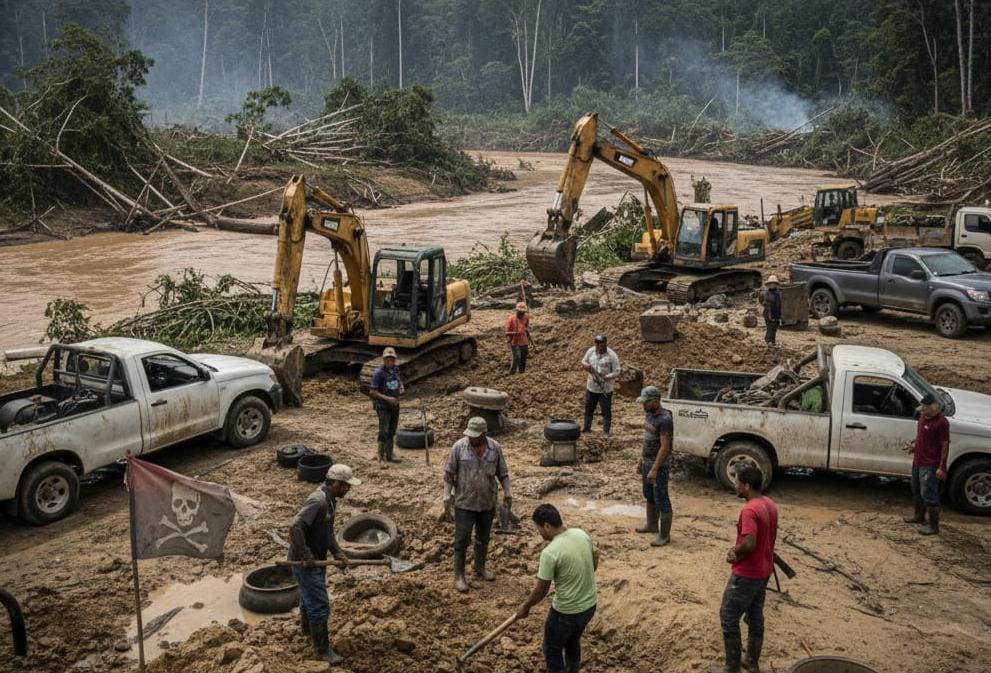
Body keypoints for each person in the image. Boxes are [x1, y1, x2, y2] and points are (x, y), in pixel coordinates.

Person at [287, 463, 361, 665]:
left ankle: (306, 632)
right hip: (305, 562)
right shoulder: (317, 501)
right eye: (346, 485)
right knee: (319, 604)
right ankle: (322, 650)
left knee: (308, 597)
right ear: (336, 483)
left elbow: (327, 532)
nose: (348, 489)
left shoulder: (330, 501)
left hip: (317, 559)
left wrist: (337, 553)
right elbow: (295, 527)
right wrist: (305, 555)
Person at [710, 464, 778, 673]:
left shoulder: (749, 510)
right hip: (764, 570)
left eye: (737, 482)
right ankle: (751, 661)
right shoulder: (769, 503)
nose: (735, 485)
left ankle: (732, 667)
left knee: (728, 616)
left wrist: (735, 551)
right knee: (755, 615)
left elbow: (749, 543)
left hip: (748, 573)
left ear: (747, 486)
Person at [516, 504, 598, 673]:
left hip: (566, 613)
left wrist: (526, 606)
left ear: (546, 525)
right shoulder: (581, 534)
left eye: (538, 528)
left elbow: (542, 589)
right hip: (590, 606)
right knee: (572, 641)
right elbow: (595, 557)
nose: (539, 533)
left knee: (552, 649)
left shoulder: (550, 552)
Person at [443, 416, 512, 592]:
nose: (471, 438)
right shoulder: (459, 447)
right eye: (470, 435)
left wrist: (507, 492)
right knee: (462, 539)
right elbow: (449, 474)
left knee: (483, 538)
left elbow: (503, 473)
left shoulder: (495, 448)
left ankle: (479, 567)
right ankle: (459, 575)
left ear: (483, 434)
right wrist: (446, 496)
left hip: (487, 502)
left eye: (475, 435)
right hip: (464, 503)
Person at [903, 392, 950, 535]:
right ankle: (919, 516)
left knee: (929, 494)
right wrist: (914, 445)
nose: (921, 410)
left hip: (930, 464)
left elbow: (945, 444)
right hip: (918, 461)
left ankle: (934, 526)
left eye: (924, 407)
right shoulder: (923, 417)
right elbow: (921, 435)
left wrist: (942, 467)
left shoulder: (942, 422)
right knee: (916, 490)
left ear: (933, 408)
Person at [634, 386, 674, 547]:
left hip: (659, 465)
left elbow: (664, 447)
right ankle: (651, 525)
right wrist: (641, 460)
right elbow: (647, 440)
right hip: (647, 461)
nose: (643, 405)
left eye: (646, 402)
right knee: (649, 494)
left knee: (661, 498)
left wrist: (655, 469)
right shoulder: (649, 414)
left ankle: (664, 535)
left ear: (655, 401)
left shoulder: (665, 420)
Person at [581, 335, 621, 438]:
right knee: (589, 409)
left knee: (606, 411)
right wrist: (586, 366)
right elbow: (583, 361)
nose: (601, 348)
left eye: (603, 346)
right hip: (591, 387)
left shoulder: (612, 355)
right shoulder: (591, 351)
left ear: (606, 344)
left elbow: (617, 371)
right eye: (599, 346)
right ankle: (586, 428)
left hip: (605, 389)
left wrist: (606, 377)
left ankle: (606, 432)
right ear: (596, 344)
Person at [369, 347, 404, 464]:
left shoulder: (396, 370)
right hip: (383, 406)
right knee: (384, 430)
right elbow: (372, 391)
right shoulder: (378, 373)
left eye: (392, 359)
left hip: (395, 405)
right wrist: (388, 399)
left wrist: (401, 386)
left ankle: (389, 454)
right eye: (388, 359)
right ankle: (380, 455)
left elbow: (399, 380)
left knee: (392, 430)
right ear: (384, 360)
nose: (390, 361)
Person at [505, 301, 531, 374]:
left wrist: (526, 332)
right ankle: (512, 372)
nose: (522, 314)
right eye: (520, 312)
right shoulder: (511, 319)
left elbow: (526, 326)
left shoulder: (526, 317)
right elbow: (506, 333)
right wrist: (515, 333)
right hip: (515, 341)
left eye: (523, 312)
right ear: (517, 311)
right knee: (517, 357)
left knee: (523, 357)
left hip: (524, 341)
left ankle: (521, 373)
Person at [758, 276, 783, 346]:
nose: (772, 285)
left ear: (776, 285)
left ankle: (773, 341)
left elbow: (781, 303)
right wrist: (765, 305)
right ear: (768, 285)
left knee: (774, 327)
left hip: (776, 313)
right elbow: (761, 301)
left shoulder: (779, 293)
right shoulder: (765, 293)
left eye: (774, 284)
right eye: (771, 284)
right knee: (770, 327)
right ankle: (768, 341)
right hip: (768, 313)